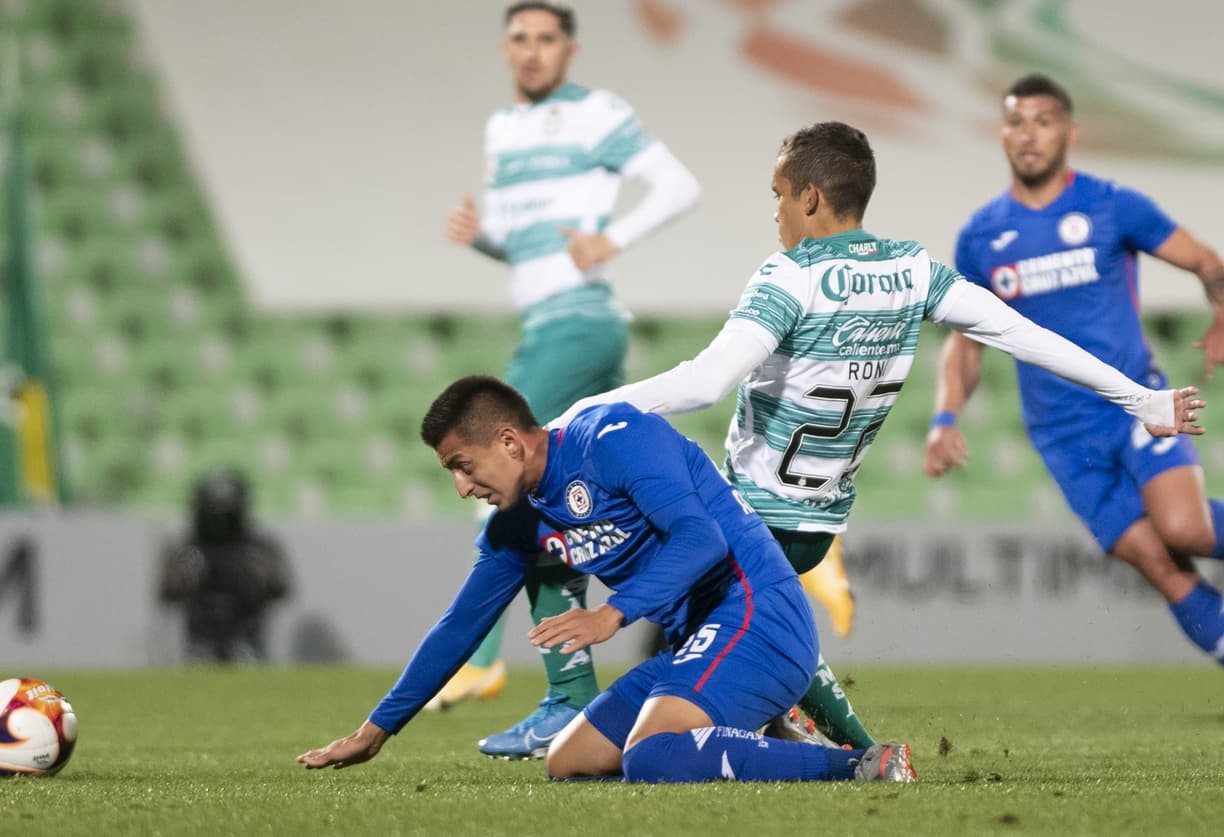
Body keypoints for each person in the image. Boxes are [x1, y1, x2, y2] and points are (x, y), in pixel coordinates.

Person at [548, 120, 1208, 745]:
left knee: (619, 564)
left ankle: (850, 749)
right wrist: (1140, 397)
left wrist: (575, 415)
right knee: (715, 629)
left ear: (809, 196)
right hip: (818, 526)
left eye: (778, 196)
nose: (774, 212)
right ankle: (787, 721)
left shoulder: (792, 275)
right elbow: (1020, 334)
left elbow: (701, 384)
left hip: (753, 515)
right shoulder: (912, 270)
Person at [297, 375, 915, 783]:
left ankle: (862, 764)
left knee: (651, 755)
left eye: (462, 466)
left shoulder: (615, 438)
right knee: (572, 761)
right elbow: (460, 625)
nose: (462, 487)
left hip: (758, 611)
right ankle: (758, 732)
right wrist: (375, 731)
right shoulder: (515, 525)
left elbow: (703, 539)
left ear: (509, 442)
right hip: (697, 642)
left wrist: (610, 614)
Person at [435, 0, 701, 758]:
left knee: (496, 482)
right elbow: (528, 247)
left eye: (547, 38)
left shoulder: (597, 113)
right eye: (518, 37)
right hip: (557, 320)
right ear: (505, 48)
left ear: (569, 50)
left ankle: (511, 675)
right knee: (566, 508)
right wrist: (487, 238)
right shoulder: (504, 128)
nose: (531, 50)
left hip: (577, 321)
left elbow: (681, 185)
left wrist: (610, 238)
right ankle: (604, 680)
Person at [925, 73, 1224, 665]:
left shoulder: (1113, 206)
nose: (1029, 134)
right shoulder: (983, 237)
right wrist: (944, 415)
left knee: (1184, 528)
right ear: (1002, 134)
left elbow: (1203, 259)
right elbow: (966, 341)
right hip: (1062, 436)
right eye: (1016, 121)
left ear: (1070, 131)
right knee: (1157, 562)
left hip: (1136, 403)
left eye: (1043, 120)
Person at [158, 469, 292, 662]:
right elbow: (168, 592)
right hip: (199, 642)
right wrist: (186, 577)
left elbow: (280, 588)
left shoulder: (258, 549)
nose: (219, 523)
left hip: (247, 639)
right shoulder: (188, 550)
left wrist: (255, 577)